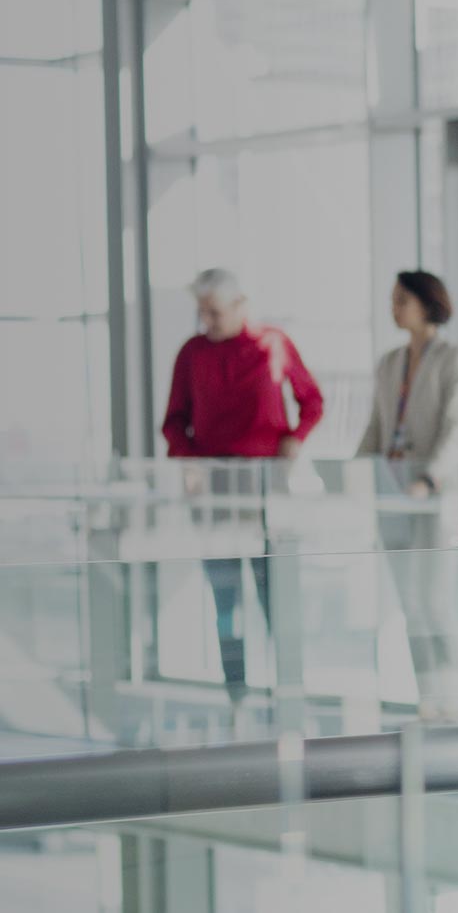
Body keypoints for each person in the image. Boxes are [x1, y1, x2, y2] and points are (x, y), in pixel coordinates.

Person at [161, 268, 324, 702]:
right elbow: (174, 421)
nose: (206, 322)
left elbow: (312, 401)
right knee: (225, 600)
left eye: (214, 313)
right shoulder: (192, 353)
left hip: (267, 488)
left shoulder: (273, 343)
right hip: (213, 491)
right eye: (201, 313)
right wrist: (189, 462)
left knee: (276, 595)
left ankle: (290, 694)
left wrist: (295, 439)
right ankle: (238, 697)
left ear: (240, 306)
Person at [356, 270, 458, 721]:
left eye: (401, 300)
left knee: (436, 603)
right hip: (391, 498)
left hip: (435, 498)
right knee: (410, 604)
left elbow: (457, 430)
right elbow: (376, 427)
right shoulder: (390, 363)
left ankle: (454, 700)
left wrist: (428, 480)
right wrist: (356, 473)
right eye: (392, 300)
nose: (394, 308)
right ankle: (428, 700)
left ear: (427, 303)